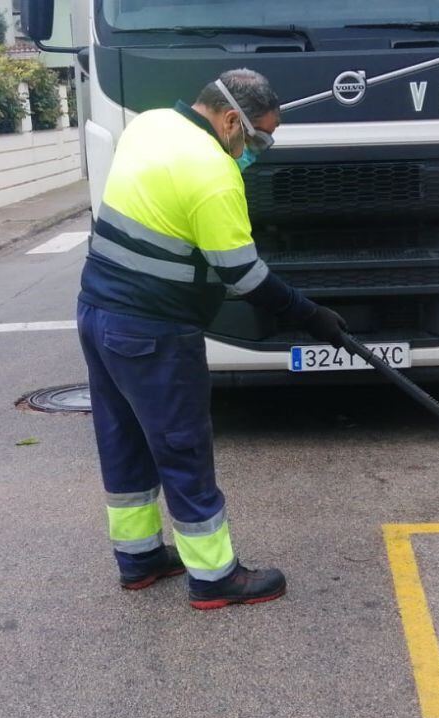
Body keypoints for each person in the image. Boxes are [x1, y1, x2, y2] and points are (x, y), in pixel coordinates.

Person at [77, 69, 347, 610]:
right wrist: (311, 316)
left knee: (123, 438)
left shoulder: (149, 125)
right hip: (153, 330)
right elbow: (244, 277)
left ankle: (139, 558)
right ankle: (214, 577)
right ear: (231, 121)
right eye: (259, 137)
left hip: (96, 312)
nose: (258, 150)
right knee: (183, 448)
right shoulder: (215, 174)